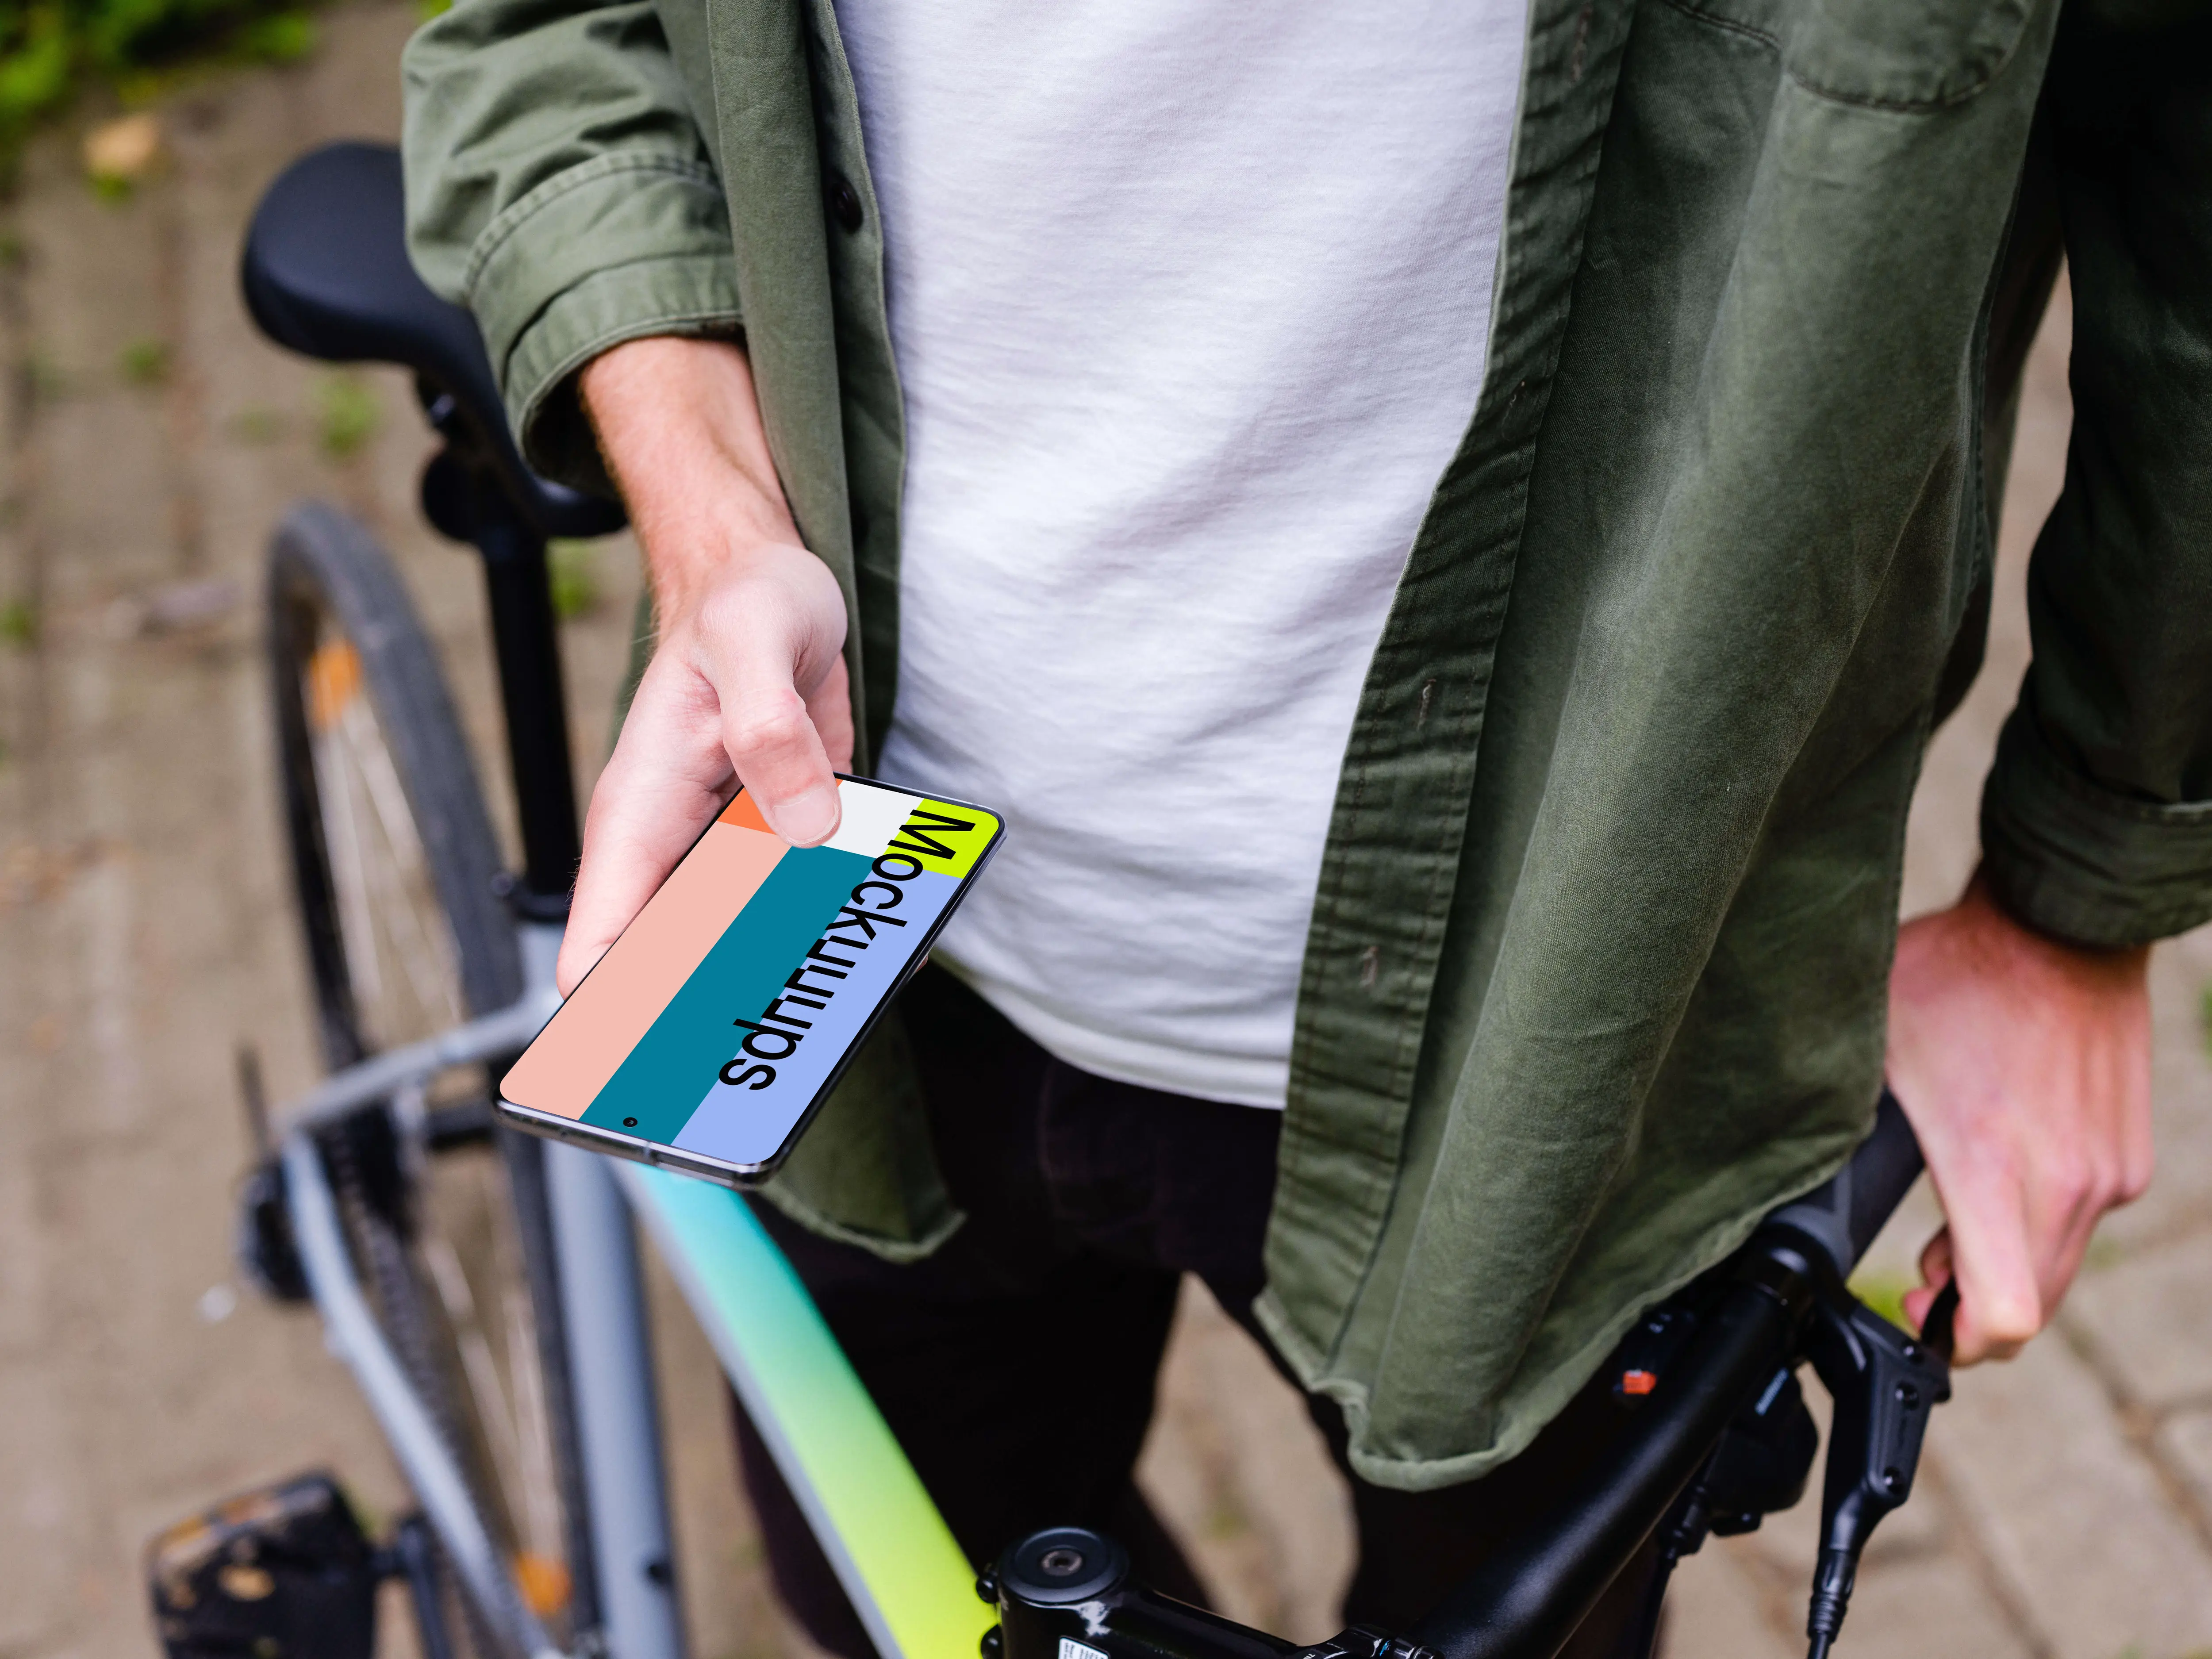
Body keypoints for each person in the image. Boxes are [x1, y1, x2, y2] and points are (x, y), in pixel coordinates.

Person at [403, 0, 2211, 1650]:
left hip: (1558, 1045)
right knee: (890, 1587)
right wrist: (709, 510)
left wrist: (2071, 906)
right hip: (846, 927)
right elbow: (560, 33)